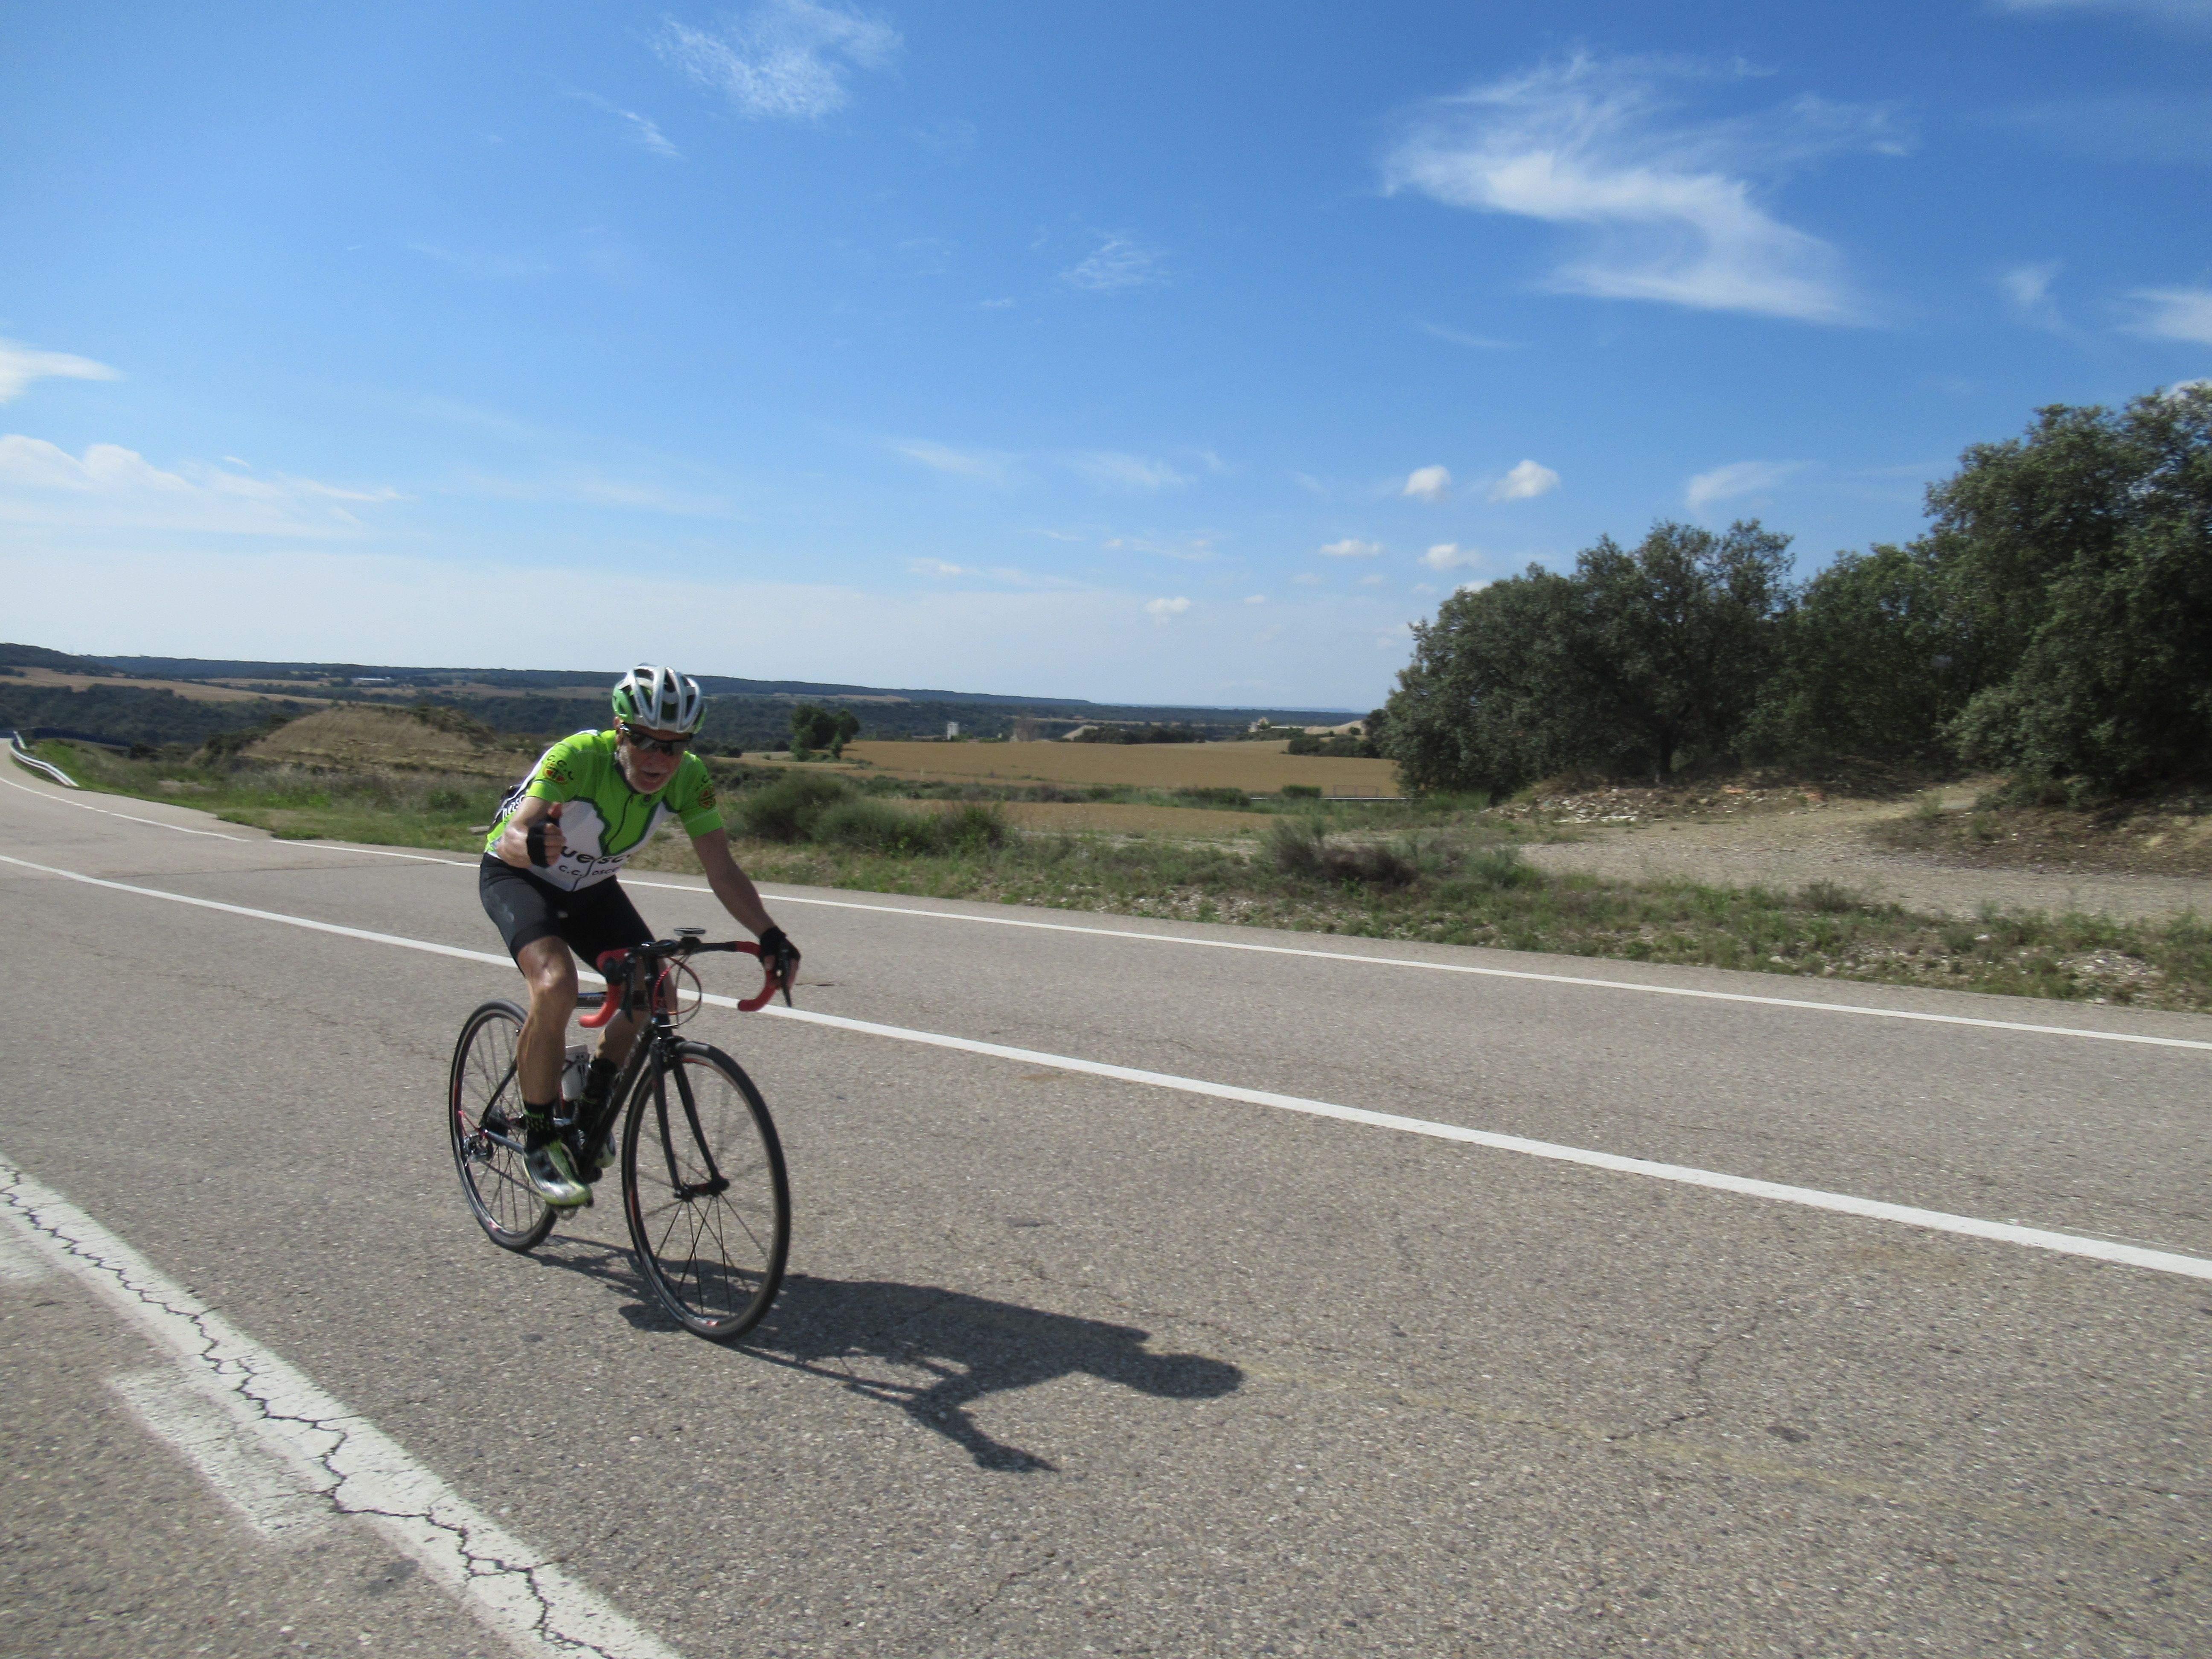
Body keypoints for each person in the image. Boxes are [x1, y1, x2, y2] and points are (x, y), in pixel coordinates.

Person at [479, 664, 798, 1207]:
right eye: (644, 740)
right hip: (521, 876)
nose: (658, 759)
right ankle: (538, 1139)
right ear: (619, 730)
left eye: (674, 746)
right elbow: (514, 832)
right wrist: (531, 843)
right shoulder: (577, 757)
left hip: (592, 889)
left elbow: (721, 869)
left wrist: (769, 933)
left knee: (656, 992)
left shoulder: (690, 777)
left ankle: (592, 1105)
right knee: (555, 984)